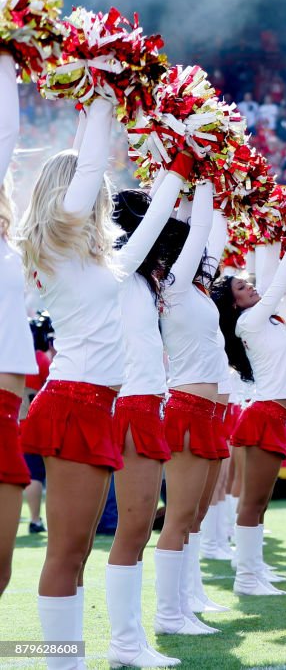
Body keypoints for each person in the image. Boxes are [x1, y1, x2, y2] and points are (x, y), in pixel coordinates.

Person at [18, 97, 189, 668]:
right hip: (72, 401)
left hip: (101, 405)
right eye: (90, 187)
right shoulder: (57, 249)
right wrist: (103, 97)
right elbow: (91, 167)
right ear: (69, 191)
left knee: (79, 550)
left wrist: (183, 168)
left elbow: (151, 231)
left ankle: (87, 654)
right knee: (67, 550)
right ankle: (59, 661)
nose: (101, 194)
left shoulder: (99, 260)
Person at [106, 173, 191, 666]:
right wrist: (177, 164)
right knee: (131, 532)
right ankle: (122, 643)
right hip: (128, 403)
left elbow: (176, 233)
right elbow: (162, 224)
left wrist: (186, 188)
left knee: (130, 533)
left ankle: (124, 641)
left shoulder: (136, 278)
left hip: (142, 402)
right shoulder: (118, 265)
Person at [213, 227, 286, 594]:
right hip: (263, 417)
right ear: (234, 304)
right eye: (242, 288)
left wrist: (268, 230)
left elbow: (267, 277)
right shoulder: (249, 321)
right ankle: (247, 578)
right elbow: (279, 280)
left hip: (271, 415)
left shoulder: (263, 317)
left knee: (260, 503)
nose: (250, 287)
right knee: (253, 503)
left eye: (248, 283)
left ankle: (254, 568)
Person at [152, 182, 228, 635]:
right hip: (184, 406)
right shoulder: (175, 287)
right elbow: (199, 229)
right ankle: (169, 615)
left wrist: (217, 193)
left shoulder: (197, 289)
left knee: (193, 515)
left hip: (209, 412)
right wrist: (203, 177)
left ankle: (186, 602)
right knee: (179, 515)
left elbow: (210, 234)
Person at [0, 49, 37, 597]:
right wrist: (8, 55)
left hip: (9, 409)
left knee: (2, 572)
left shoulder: (12, 249)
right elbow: (5, 136)